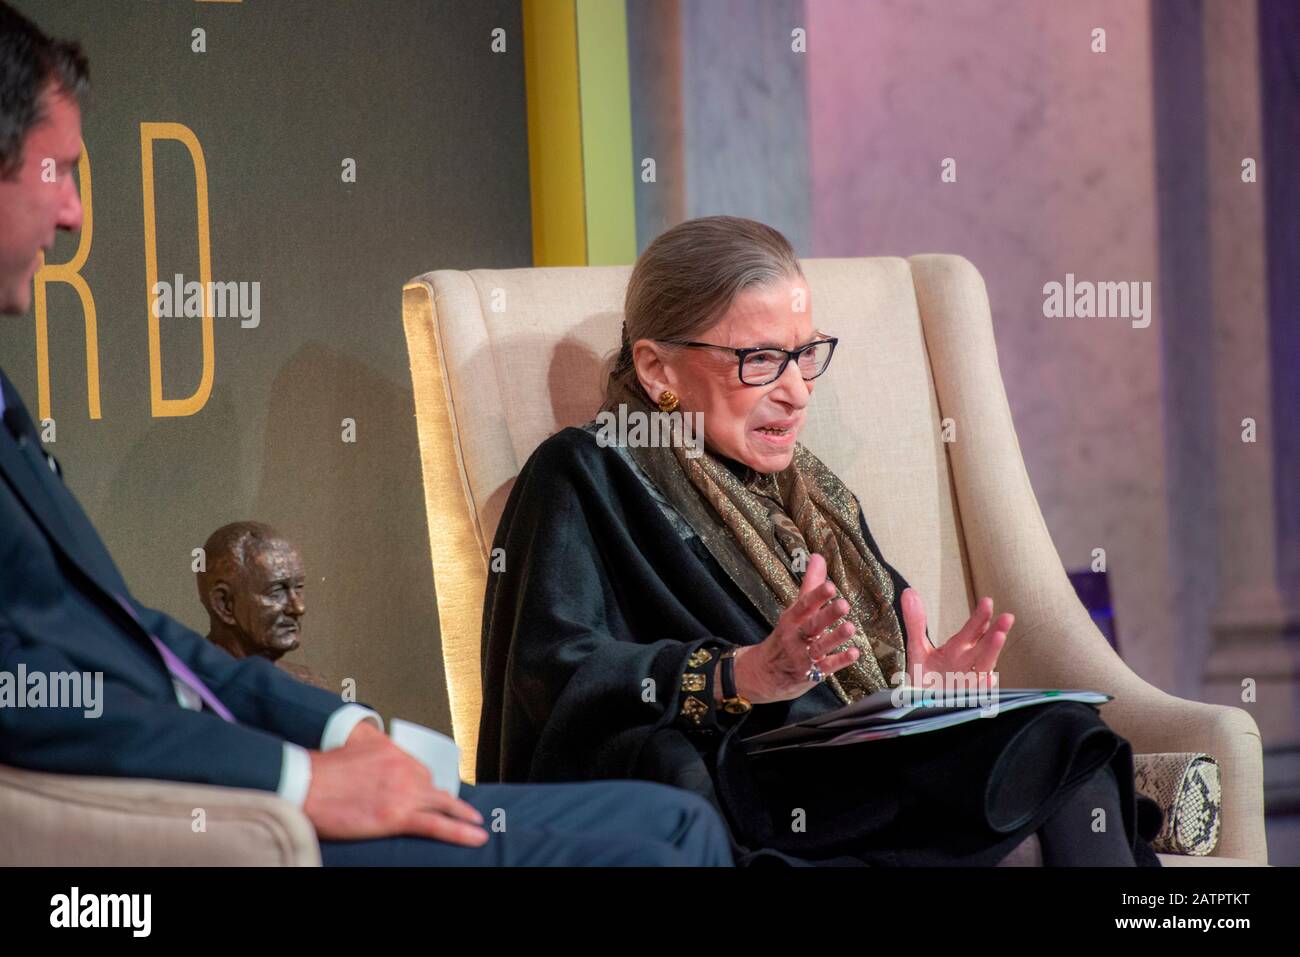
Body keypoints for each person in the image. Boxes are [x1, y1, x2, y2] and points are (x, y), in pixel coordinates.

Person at [0, 2, 733, 867]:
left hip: (243, 783)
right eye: (59, 172)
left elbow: (129, 634)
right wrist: (298, 777)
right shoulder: (583, 474)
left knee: (673, 823)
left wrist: (344, 727)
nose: (77, 213)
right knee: (666, 835)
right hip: (203, 824)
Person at [479, 214, 1166, 866]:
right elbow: (551, 674)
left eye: (805, 355)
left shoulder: (811, 492)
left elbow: (858, 674)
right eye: (760, 360)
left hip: (843, 767)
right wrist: (735, 673)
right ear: (657, 369)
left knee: (1065, 739)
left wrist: (917, 691)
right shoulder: (584, 469)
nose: (797, 391)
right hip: (728, 785)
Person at [196, 521, 330, 689]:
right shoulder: (187, 693)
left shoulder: (311, 687)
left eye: (299, 588)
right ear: (224, 604)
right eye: (276, 592)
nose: (298, 608)